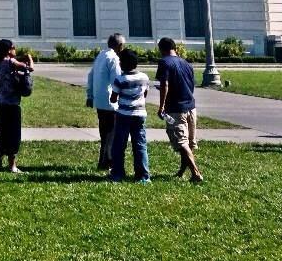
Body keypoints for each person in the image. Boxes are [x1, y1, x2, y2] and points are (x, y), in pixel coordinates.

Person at [155, 37, 203, 182]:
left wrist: (162, 106)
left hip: (175, 108)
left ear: (161, 49)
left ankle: (195, 173)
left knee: (181, 142)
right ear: (174, 48)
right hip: (191, 106)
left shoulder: (164, 62)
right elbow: (190, 84)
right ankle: (182, 170)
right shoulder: (186, 63)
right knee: (189, 142)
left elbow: (165, 84)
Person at [0, 39, 34, 173]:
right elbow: (30, 68)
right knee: (14, 135)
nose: (15, 49)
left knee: (4, 134)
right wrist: (30, 58)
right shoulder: (11, 62)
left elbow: (9, 66)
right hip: (11, 104)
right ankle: (12, 165)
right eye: (14, 47)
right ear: (9, 50)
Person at [109, 48, 150, 182]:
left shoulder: (120, 79)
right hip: (140, 114)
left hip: (124, 115)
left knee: (119, 145)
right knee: (140, 144)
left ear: (123, 63)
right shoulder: (144, 77)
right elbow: (145, 94)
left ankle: (118, 173)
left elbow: (113, 99)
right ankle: (143, 176)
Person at [86, 34, 124, 171]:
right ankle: (107, 161)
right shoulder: (114, 58)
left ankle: (103, 160)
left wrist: (90, 95)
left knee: (104, 133)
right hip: (111, 101)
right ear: (119, 46)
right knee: (111, 134)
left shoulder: (101, 55)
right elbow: (117, 79)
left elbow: (90, 75)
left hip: (99, 100)